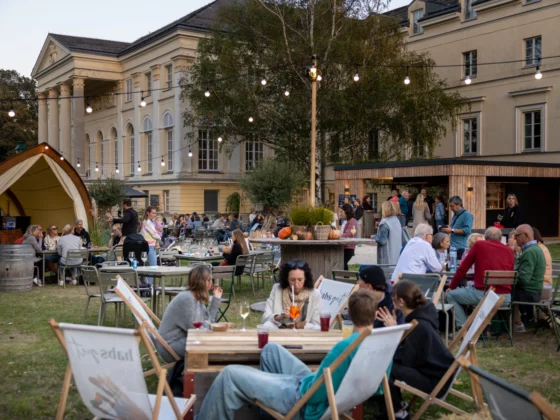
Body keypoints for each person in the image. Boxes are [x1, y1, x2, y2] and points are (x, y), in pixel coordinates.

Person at [198, 289, 377, 419]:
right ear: (375, 315)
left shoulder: (344, 348)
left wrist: (295, 382)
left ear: (350, 315)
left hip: (305, 401)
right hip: (319, 389)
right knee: (271, 350)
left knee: (229, 375)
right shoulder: (379, 343)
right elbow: (379, 387)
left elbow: (313, 394)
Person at [377, 280, 455, 419]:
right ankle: (397, 404)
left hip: (436, 382)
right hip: (440, 373)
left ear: (401, 302)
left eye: (393, 298)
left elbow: (405, 359)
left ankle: (398, 413)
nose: (391, 301)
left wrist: (393, 332)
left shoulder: (418, 326)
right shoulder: (423, 314)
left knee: (385, 367)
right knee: (388, 365)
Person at [446, 227, 514, 329]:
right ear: (500, 238)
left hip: (485, 294)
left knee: (451, 295)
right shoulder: (509, 251)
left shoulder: (479, 245)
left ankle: (463, 328)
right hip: (505, 298)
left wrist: (452, 286)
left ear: (485, 238)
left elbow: (462, 269)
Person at [156, 265, 222, 363]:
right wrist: (211, 328)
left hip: (185, 339)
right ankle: (202, 374)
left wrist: (216, 299)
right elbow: (196, 330)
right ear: (204, 282)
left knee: (214, 342)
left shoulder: (196, 298)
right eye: (210, 280)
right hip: (170, 346)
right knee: (209, 345)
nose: (211, 283)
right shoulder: (187, 299)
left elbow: (209, 321)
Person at [262, 260, 321, 330]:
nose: (296, 284)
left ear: (305, 279)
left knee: (316, 328)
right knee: (267, 325)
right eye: (292, 280)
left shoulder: (315, 294)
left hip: (304, 332)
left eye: (300, 280)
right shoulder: (277, 289)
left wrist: (302, 325)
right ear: (286, 279)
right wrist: (278, 317)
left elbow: (317, 324)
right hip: (280, 330)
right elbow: (265, 318)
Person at [512, 224, 545, 332]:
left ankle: (513, 325)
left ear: (526, 235)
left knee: (501, 294)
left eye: (517, 236)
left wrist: (507, 279)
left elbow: (523, 279)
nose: (515, 238)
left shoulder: (530, 252)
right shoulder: (535, 249)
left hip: (529, 292)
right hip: (534, 291)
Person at [373, 201, 402, 266]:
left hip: (387, 255)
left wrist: (374, 237)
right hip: (396, 252)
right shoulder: (396, 220)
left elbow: (382, 241)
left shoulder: (385, 224)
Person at [140, 207, 161, 281]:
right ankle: (149, 285)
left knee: (147, 267)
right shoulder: (148, 222)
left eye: (155, 213)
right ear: (148, 213)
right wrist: (159, 239)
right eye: (153, 213)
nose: (154, 215)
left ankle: (147, 284)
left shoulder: (145, 221)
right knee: (152, 267)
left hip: (146, 245)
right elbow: (154, 233)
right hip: (150, 246)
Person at [533, 227, 553, 301]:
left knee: (517, 293)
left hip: (542, 286)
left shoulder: (536, 249)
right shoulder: (542, 247)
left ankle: (526, 312)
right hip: (547, 285)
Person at [341, 203, 358, 270]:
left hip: (349, 247)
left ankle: (345, 280)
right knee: (344, 266)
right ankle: (345, 280)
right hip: (347, 247)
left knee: (345, 266)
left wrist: (339, 235)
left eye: (341, 211)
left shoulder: (352, 221)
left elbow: (347, 234)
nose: (340, 213)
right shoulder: (348, 221)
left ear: (346, 211)